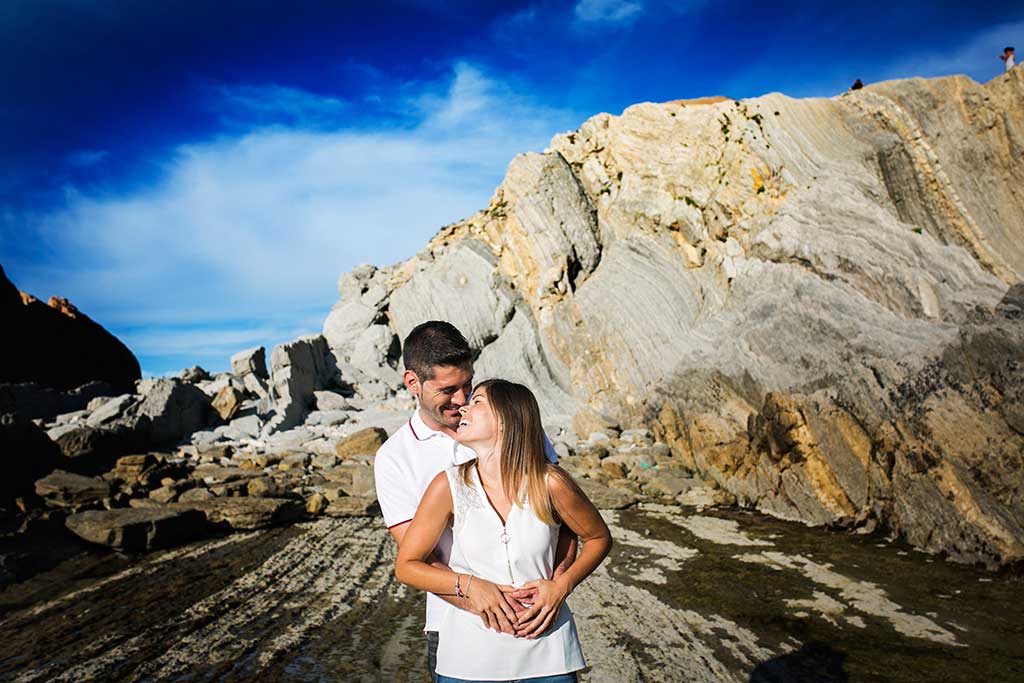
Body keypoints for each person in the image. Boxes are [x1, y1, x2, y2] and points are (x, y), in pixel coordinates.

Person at [374, 321, 576, 682]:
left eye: (468, 384)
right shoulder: (395, 458)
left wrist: (556, 585)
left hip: (538, 622)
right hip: (455, 625)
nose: (462, 398)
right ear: (412, 383)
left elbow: (563, 519)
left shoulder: (511, 426)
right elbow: (417, 558)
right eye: (448, 389)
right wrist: (480, 599)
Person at [395, 379, 613, 683]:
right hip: (467, 661)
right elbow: (407, 566)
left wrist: (562, 585)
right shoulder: (447, 486)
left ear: (506, 422)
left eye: (478, 401)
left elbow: (598, 538)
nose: (463, 407)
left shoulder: (550, 483)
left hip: (549, 654)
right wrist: (470, 585)